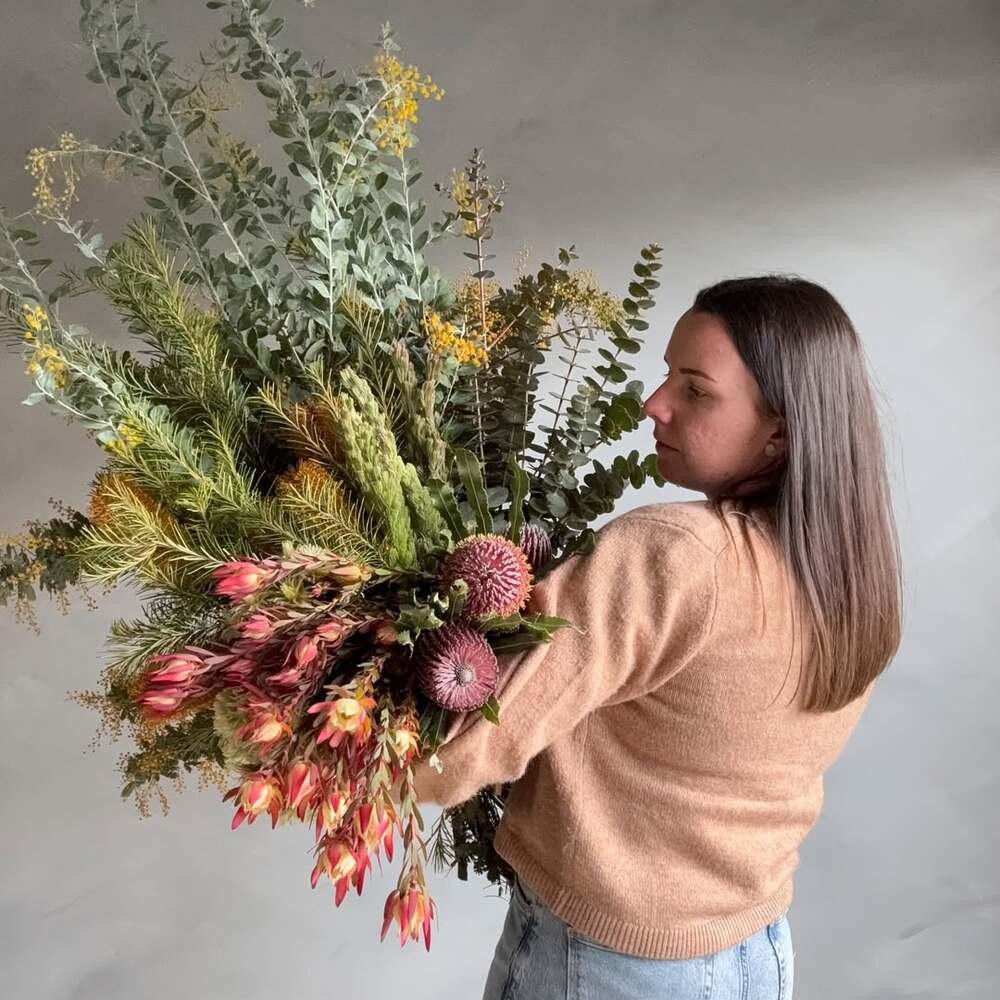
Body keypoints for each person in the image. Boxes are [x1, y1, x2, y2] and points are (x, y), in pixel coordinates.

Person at [410, 275, 903, 1000]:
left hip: (607, 966)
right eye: (667, 374)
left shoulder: (672, 556)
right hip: (753, 954)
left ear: (783, 429)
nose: (654, 403)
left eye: (695, 389)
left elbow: (458, 746)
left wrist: (298, 701)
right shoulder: (847, 573)